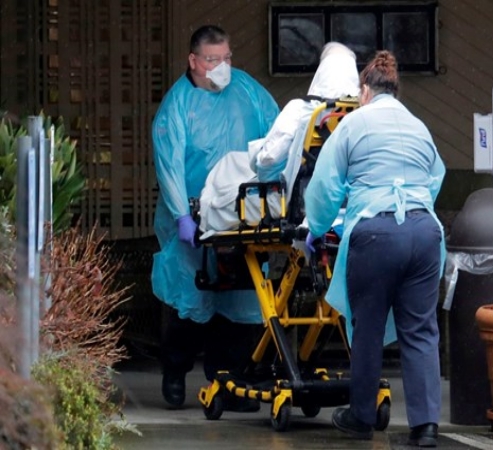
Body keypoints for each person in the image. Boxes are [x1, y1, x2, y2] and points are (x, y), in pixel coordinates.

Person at [303, 50, 446, 447]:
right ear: (394, 91)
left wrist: (316, 228)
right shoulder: (418, 126)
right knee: (421, 330)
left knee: (367, 326)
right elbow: (435, 177)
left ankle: (361, 417)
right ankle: (426, 426)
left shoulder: (354, 124)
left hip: (376, 234)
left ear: (364, 90)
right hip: (424, 232)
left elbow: (325, 185)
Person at [151, 24, 279, 409]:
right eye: (212, 60)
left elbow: (278, 138)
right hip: (194, 219)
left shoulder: (248, 90)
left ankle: (229, 382)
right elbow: (169, 166)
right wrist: (181, 216)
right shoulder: (177, 106)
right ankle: (175, 373)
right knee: (189, 303)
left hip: (243, 215)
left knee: (240, 303)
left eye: (227, 58)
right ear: (193, 61)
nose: (222, 67)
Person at [197, 41, 359, 234]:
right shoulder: (359, 116)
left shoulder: (301, 110)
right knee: (234, 161)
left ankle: (202, 212)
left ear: (322, 73)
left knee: (227, 175)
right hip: (343, 197)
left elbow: (269, 160)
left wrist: (262, 168)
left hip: (292, 199)